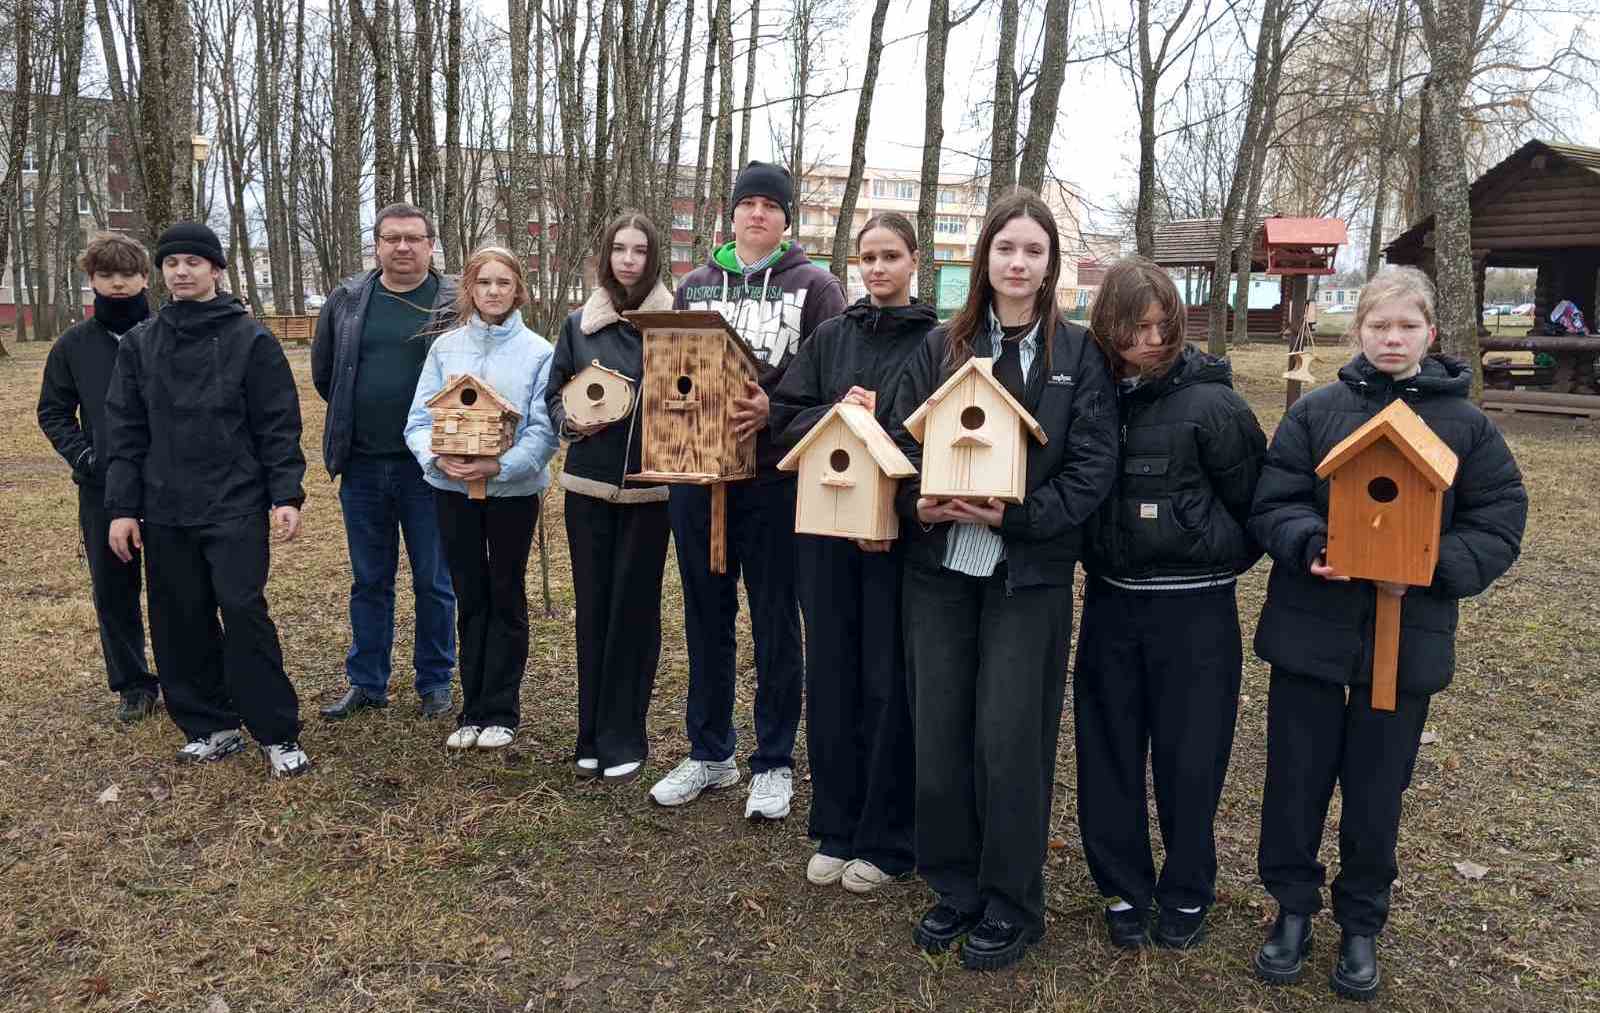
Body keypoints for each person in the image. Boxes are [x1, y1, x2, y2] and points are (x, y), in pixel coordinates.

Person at [1248, 266, 1526, 1000]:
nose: (1392, 339)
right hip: (1311, 637)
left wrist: (1430, 569)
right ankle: (1292, 909)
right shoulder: (1318, 413)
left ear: (1431, 333)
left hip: (1403, 645)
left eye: (1406, 327)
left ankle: (1362, 922)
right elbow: (1273, 498)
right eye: (1378, 326)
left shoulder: (1466, 426)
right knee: (1296, 781)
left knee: (1376, 793)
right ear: (1358, 330)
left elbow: (1499, 517)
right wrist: (1313, 544)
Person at [887, 190, 1118, 970]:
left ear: (1051, 267)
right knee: (942, 730)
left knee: (1009, 739)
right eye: (1006, 248)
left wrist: (1011, 518)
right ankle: (954, 884)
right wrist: (922, 498)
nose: (1018, 263)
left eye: (1034, 252)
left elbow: (1091, 471)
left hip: (1028, 578)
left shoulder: (1076, 356)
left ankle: (1013, 900)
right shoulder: (942, 348)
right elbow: (897, 439)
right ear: (984, 258)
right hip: (940, 575)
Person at [1073, 257, 1267, 950]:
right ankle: (1123, 885)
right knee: (1109, 753)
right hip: (1111, 607)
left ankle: (1187, 888)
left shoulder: (1214, 405)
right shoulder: (1088, 396)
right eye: (1136, 327)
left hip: (1195, 614)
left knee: (1191, 759)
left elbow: (1259, 507)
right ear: (1108, 326)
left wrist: (1203, 553)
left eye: (1164, 326)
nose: (1152, 340)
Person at [648, 161, 846, 819]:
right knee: (705, 614)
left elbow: (832, 385)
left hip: (773, 478)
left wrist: (776, 414)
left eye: (770, 204)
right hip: (699, 475)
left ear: (787, 217)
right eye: (748, 203)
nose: (757, 213)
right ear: (731, 213)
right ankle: (710, 750)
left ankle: (774, 759)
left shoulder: (816, 288)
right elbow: (672, 372)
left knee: (773, 618)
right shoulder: (695, 286)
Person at [103, 222, 311, 777]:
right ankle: (210, 724)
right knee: (179, 617)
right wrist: (123, 507)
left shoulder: (252, 340)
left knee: (243, 612)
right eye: (172, 264)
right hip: (165, 506)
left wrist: (285, 493)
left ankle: (276, 731)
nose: (182, 272)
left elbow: (277, 424)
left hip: (235, 503)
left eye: (194, 262)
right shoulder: (141, 344)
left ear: (217, 270)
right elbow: (124, 432)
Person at [770, 212, 935, 891]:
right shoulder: (831, 336)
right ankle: (835, 824)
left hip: (896, 539)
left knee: (887, 679)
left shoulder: (936, 342)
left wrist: (880, 426)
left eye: (890, 255)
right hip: (826, 529)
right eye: (867, 256)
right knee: (832, 674)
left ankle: (889, 835)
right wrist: (841, 410)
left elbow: (933, 435)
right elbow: (786, 417)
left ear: (914, 260)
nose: (877, 267)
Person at [404, 247, 557, 751]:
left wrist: (500, 466)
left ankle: (502, 709)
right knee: (470, 593)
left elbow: (542, 430)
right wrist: (436, 459)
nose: (494, 291)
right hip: (451, 492)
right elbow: (419, 422)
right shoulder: (446, 349)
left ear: (519, 289)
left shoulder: (539, 352)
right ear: (469, 288)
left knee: (505, 591)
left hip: (512, 494)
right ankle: (471, 708)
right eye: (484, 282)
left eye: (504, 283)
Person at [312, 203, 459, 722]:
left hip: (432, 468)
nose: (402, 247)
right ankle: (367, 681)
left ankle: (435, 681)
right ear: (375, 244)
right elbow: (325, 372)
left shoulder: (454, 300)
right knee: (369, 579)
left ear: (430, 244)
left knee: (434, 580)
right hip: (364, 467)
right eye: (391, 238)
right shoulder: (349, 300)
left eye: (414, 238)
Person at [546, 211, 674, 783]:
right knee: (594, 609)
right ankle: (590, 734)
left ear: (653, 258)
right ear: (606, 256)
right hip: (588, 489)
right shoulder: (579, 325)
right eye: (619, 249)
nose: (628, 259)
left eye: (639, 251)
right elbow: (553, 398)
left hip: (651, 491)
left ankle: (626, 734)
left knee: (635, 610)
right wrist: (573, 423)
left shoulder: (675, 325)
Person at [37, 234, 162, 723]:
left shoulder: (166, 332)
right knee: (114, 588)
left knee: (178, 587)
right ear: (90, 281)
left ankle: (185, 672)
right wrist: (87, 457)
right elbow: (53, 412)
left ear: (144, 279)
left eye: (126, 274)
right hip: (104, 488)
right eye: (105, 275)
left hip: (168, 483)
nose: (116, 283)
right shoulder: (73, 345)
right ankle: (133, 683)